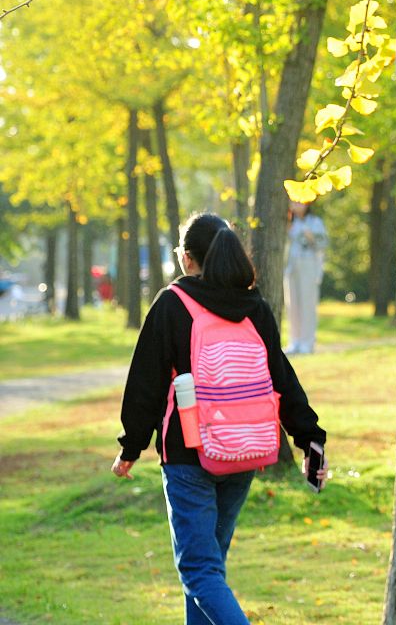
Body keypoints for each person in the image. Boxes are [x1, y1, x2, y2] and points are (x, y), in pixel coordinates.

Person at [112, 212, 327, 625]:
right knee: (210, 568)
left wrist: (130, 447)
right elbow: (281, 378)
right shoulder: (255, 308)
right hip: (245, 453)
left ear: (188, 259)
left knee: (198, 570)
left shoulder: (173, 303)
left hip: (189, 455)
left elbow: (146, 382)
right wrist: (309, 439)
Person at [284, 201, 327, 354]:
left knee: (307, 304)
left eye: (300, 203)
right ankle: (294, 341)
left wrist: (311, 237)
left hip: (308, 265)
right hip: (291, 267)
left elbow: (322, 245)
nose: (296, 205)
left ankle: (307, 342)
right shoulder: (289, 223)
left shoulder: (315, 222)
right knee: (292, 304)